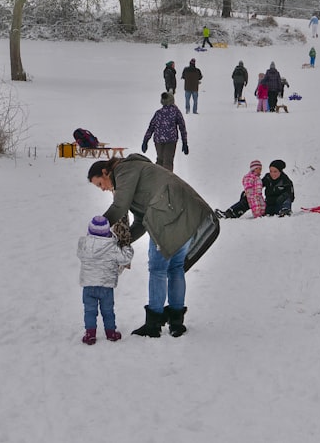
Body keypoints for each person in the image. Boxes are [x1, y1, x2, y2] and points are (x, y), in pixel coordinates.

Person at [88, 155, 219, 338]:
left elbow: (119, 206)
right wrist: (122, 242)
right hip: (185, 214)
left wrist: (98, 229)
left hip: (167, 215)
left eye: (100, 184)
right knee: (175, 268)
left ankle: (153, 325)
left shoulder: (123, 170)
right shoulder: (136, 170)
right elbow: (141, 222)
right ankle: (176, 323)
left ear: (105, 172)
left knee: (158, 270)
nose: (103, 189)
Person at [77, 215, 135, 345]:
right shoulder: (113, 247)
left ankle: (90, 334)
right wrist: (126, 247)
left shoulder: (84, 244)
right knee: (108, 311)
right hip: (106, 286)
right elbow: (125, 258)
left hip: (88, 286)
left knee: (89, 311)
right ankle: (111, 333)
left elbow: (79, 253)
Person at [140, 92, 189, 171]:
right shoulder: (176, 112)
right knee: (168, 162)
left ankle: (156, 176)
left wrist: (145, 141)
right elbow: (182, 127)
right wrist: (185, 142)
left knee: (160, 160)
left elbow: (151, 127)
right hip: (171, 140)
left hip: (158, 140)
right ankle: (166, 177)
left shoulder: (159, 112)